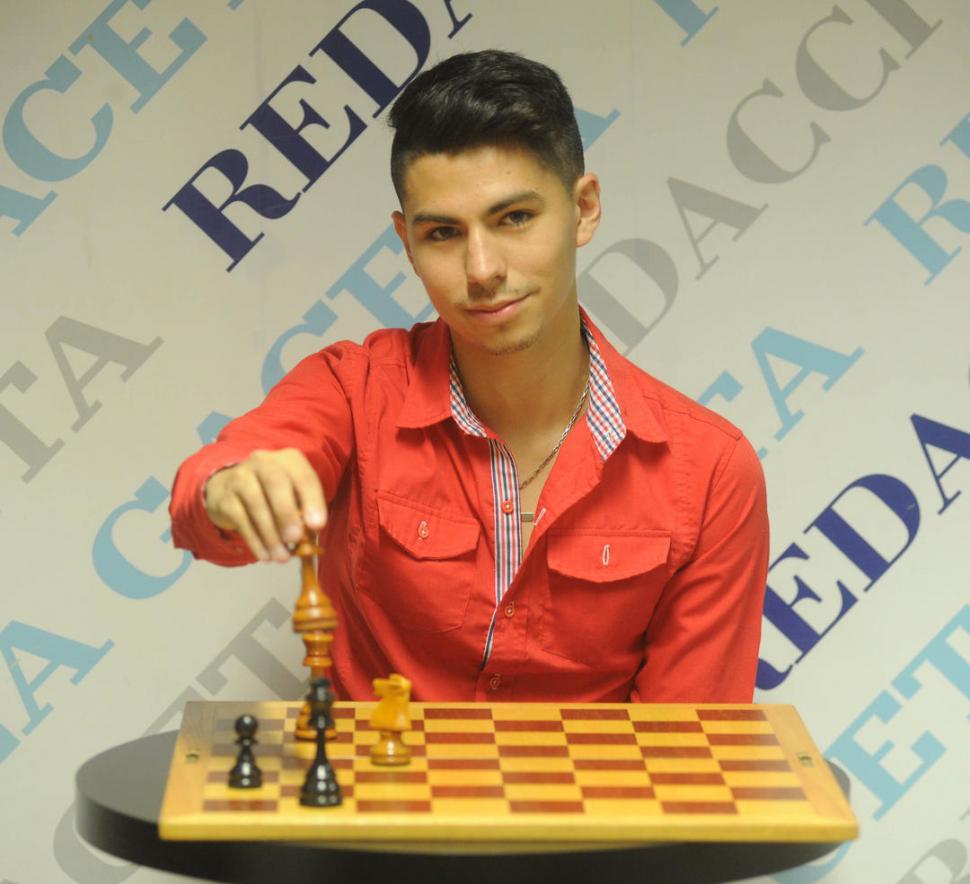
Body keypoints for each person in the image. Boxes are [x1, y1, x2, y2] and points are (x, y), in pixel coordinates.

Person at [170, 50, 769, 704]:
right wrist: (230, 488)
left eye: (514, 218)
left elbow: (685, 746)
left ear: (584, 208)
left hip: (595, 780)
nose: (482, 269)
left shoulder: (710, 475)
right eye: (443, 233)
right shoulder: (354, 391)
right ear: (406, 242)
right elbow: (214, 494)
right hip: (379, 772)